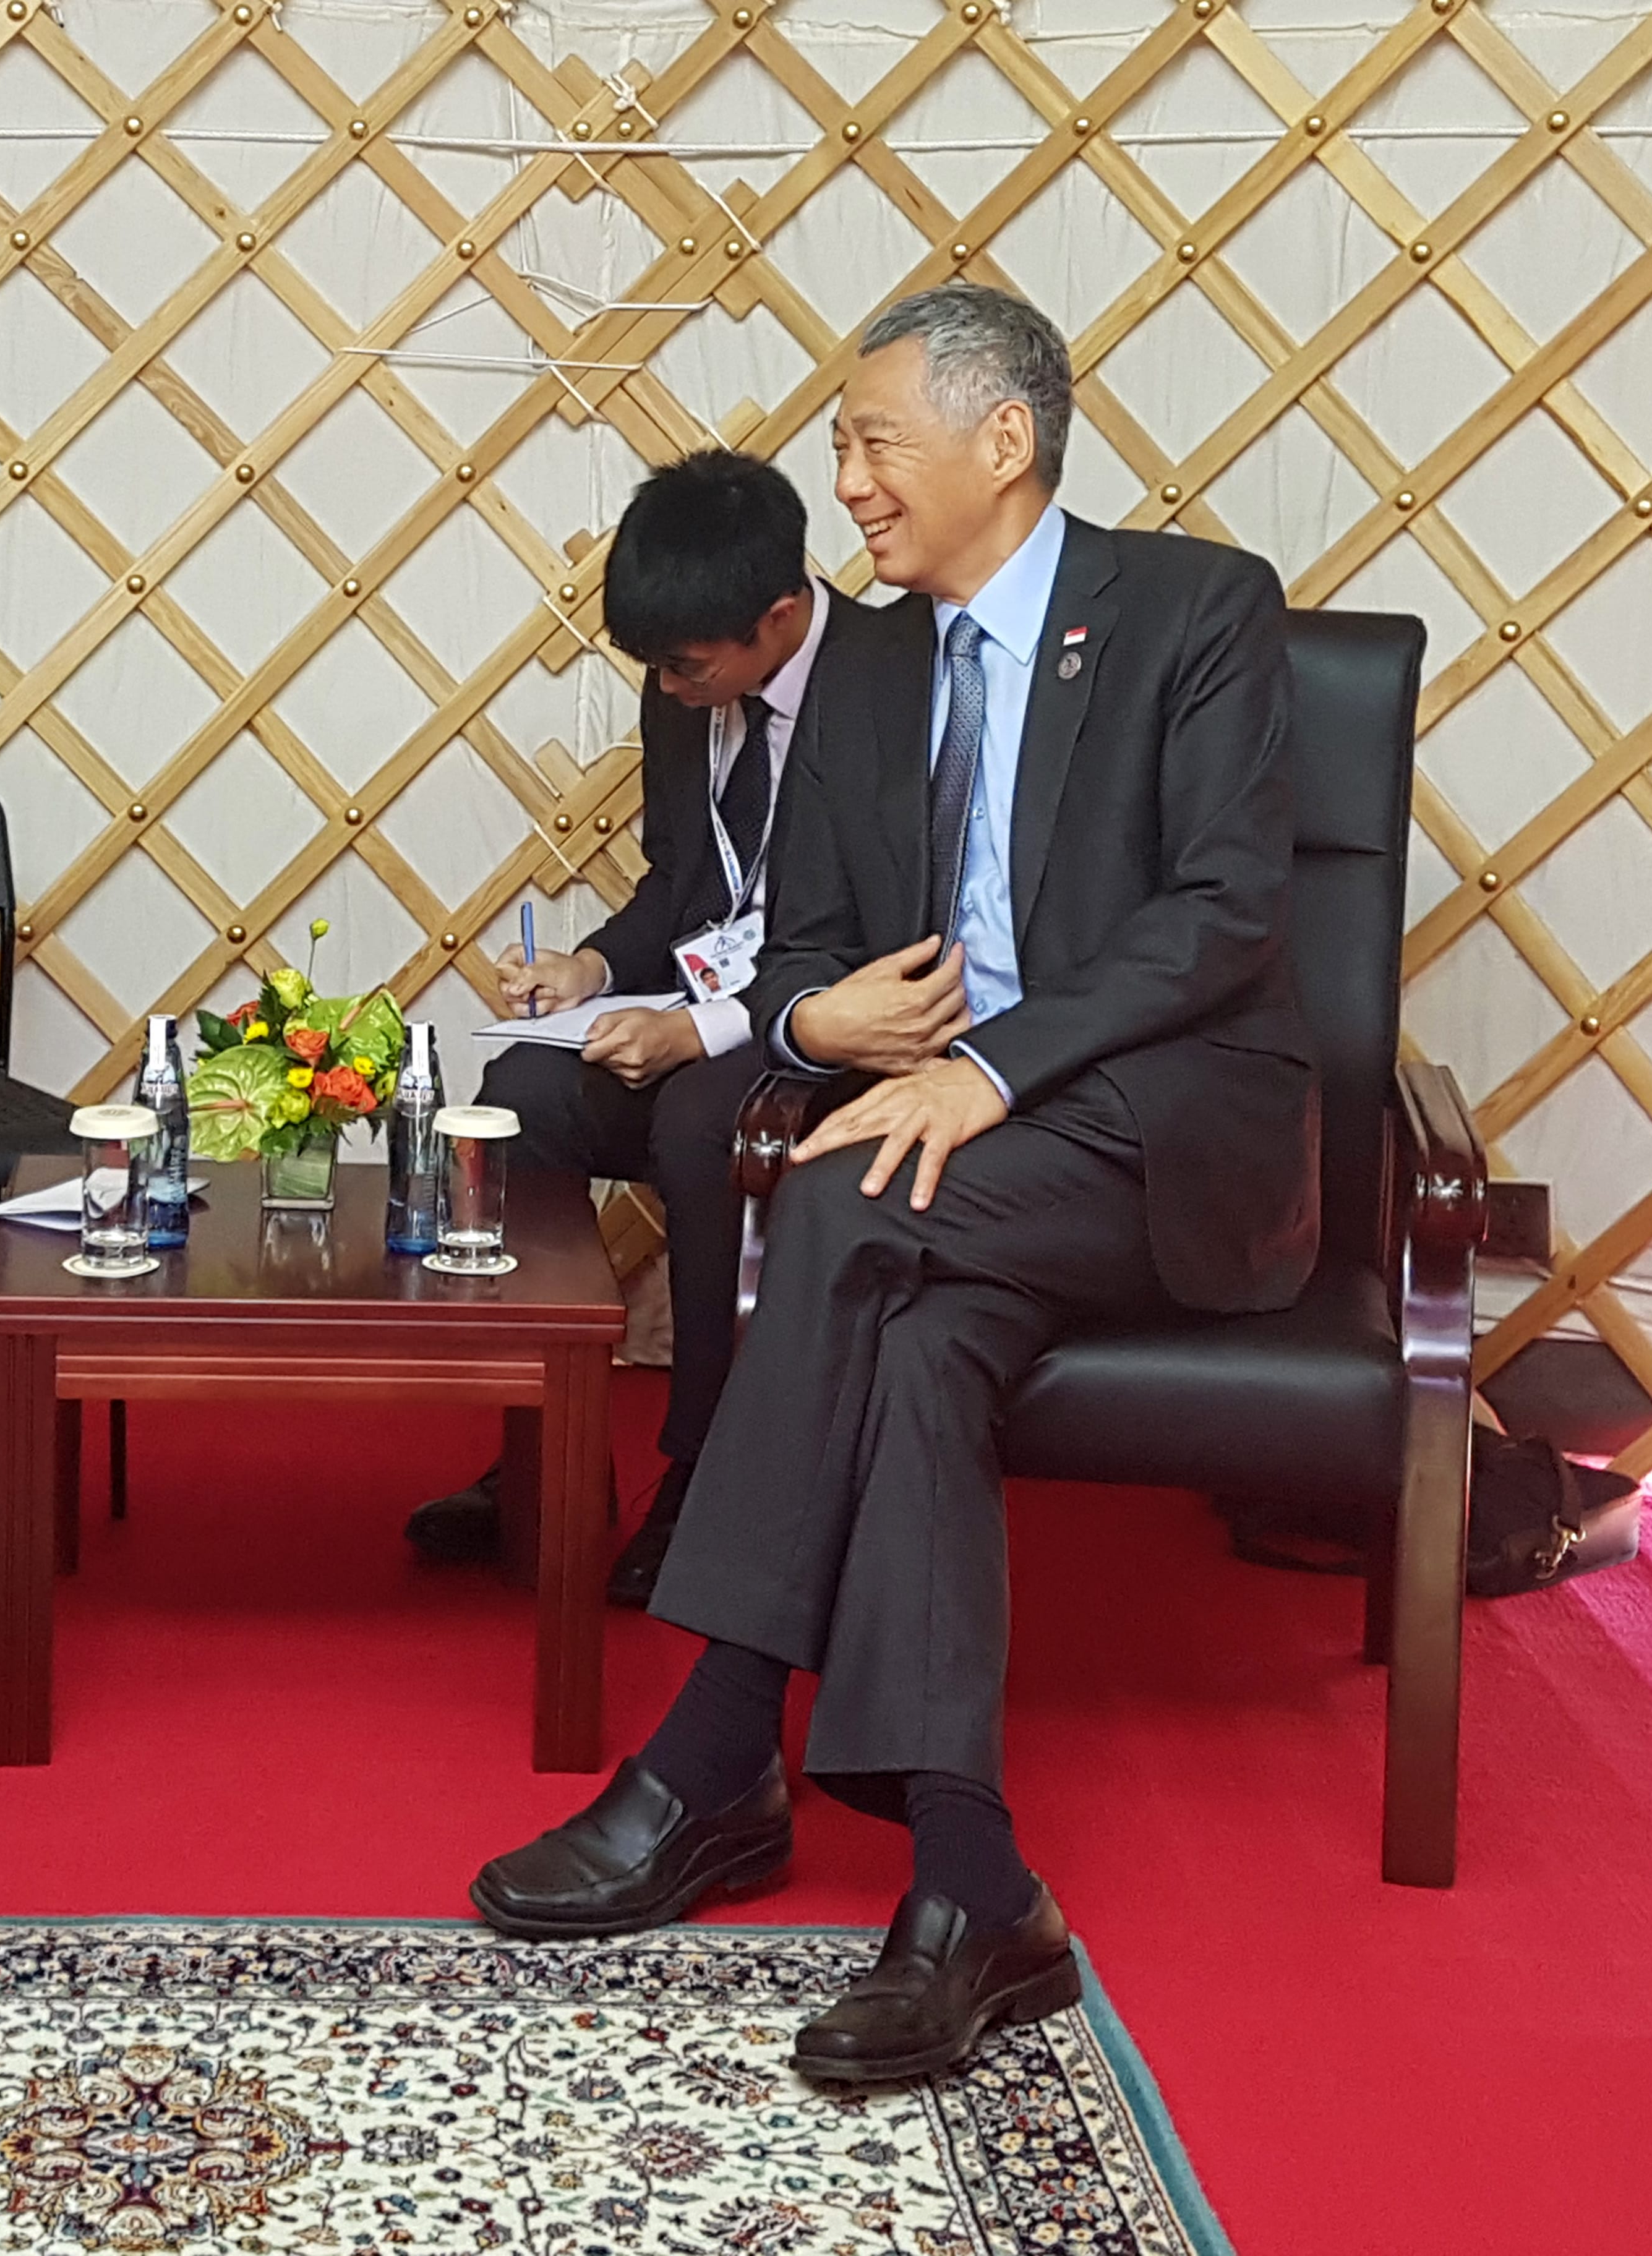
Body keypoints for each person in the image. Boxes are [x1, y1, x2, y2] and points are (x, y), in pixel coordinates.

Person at [469, 282, 1318, 2084]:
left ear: (1001, 443)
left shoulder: (1192, 609)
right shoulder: (876, 675)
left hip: (1156, 1127)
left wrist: (988, 1066)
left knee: (844, 1215)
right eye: (842, 447)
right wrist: (813, 1011)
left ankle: (710, 1754)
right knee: (917, 1345)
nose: (843, 482)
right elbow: (802, 948)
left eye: (871, 443)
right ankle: (969, 1880)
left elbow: (1229, 916)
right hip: (969, 1157)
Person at [403, 450, 837, 1605]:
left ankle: (704, 1479)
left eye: (692, 666)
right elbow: (679, 884)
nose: (674, 687)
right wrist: (591, 967)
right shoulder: (680, 690)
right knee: (524, 1098)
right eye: (656, 667)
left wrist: (706, 1031)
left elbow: (883, 925)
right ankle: (541, 1460)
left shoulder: (885, 687)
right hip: (698, 999)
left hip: (824, 1022)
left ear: (781, 618)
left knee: (702, 1124)